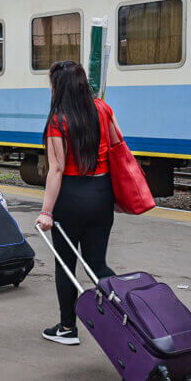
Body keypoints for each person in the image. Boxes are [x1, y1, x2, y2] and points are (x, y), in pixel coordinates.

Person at [35, 61, 119, 346]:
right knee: (97, 263)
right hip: (101, 194)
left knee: (66, 265)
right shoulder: (102, 109)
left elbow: (56, 169)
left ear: (58, 87)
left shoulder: (58, 119)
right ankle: (128, 312)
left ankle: (68, 328)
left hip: (71, 198)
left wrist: (46, 211)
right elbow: (119, 147)